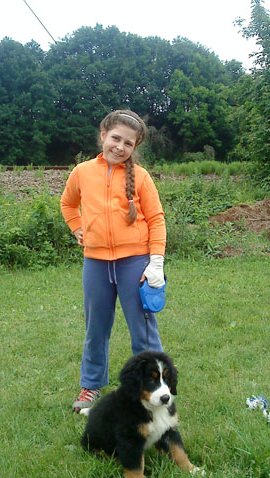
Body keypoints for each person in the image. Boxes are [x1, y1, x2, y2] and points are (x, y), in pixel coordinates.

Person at [61, 109, 166, 412]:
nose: (120, 147)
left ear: (135, 147)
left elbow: (157, 219)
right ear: (103, 135)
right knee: (96, 328)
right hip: (95, 263)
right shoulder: (82, 172)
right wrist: (77, 228)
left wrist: (155, 262)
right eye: (115, 138)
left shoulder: (141, 177)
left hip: (135, 263)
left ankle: (154, 387)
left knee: (143, 331)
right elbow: (68, 203)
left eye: (128, 143)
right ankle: (91, 385)